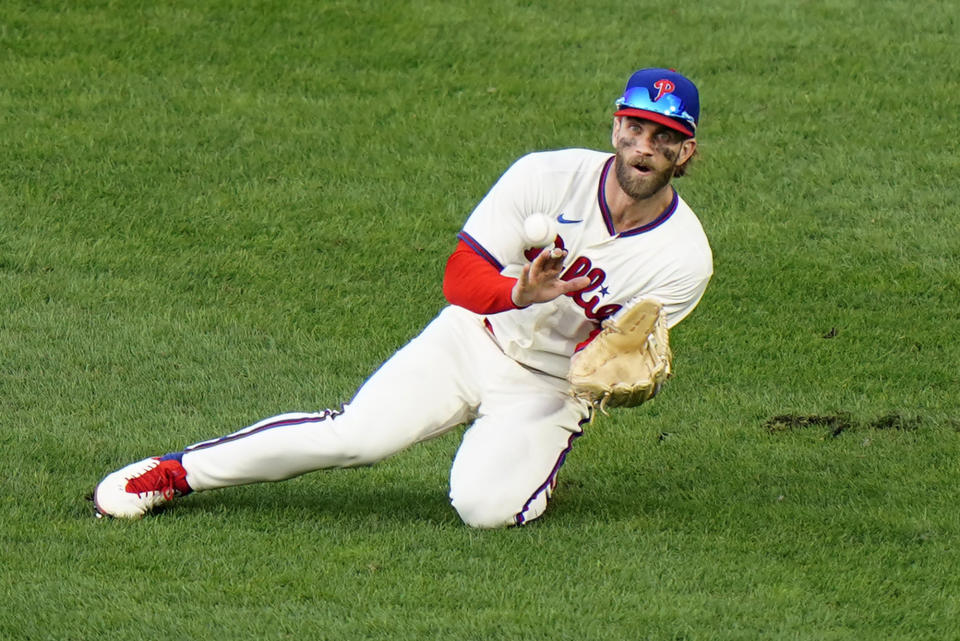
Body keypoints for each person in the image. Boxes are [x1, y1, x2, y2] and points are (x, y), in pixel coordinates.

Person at [93, 68, 713, 528]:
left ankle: (534, 462)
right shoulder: (545, 177)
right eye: (636, 127)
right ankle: (175, 473)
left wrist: (619, 375)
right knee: (355, 437)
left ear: (684, 152)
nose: (643, 147)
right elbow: (459, 279)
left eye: (663, 137)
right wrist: (519, 290)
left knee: (485, 511)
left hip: (548, 386)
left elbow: (622, 352)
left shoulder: (684, 258)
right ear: (616, 124)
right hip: (473, 338)